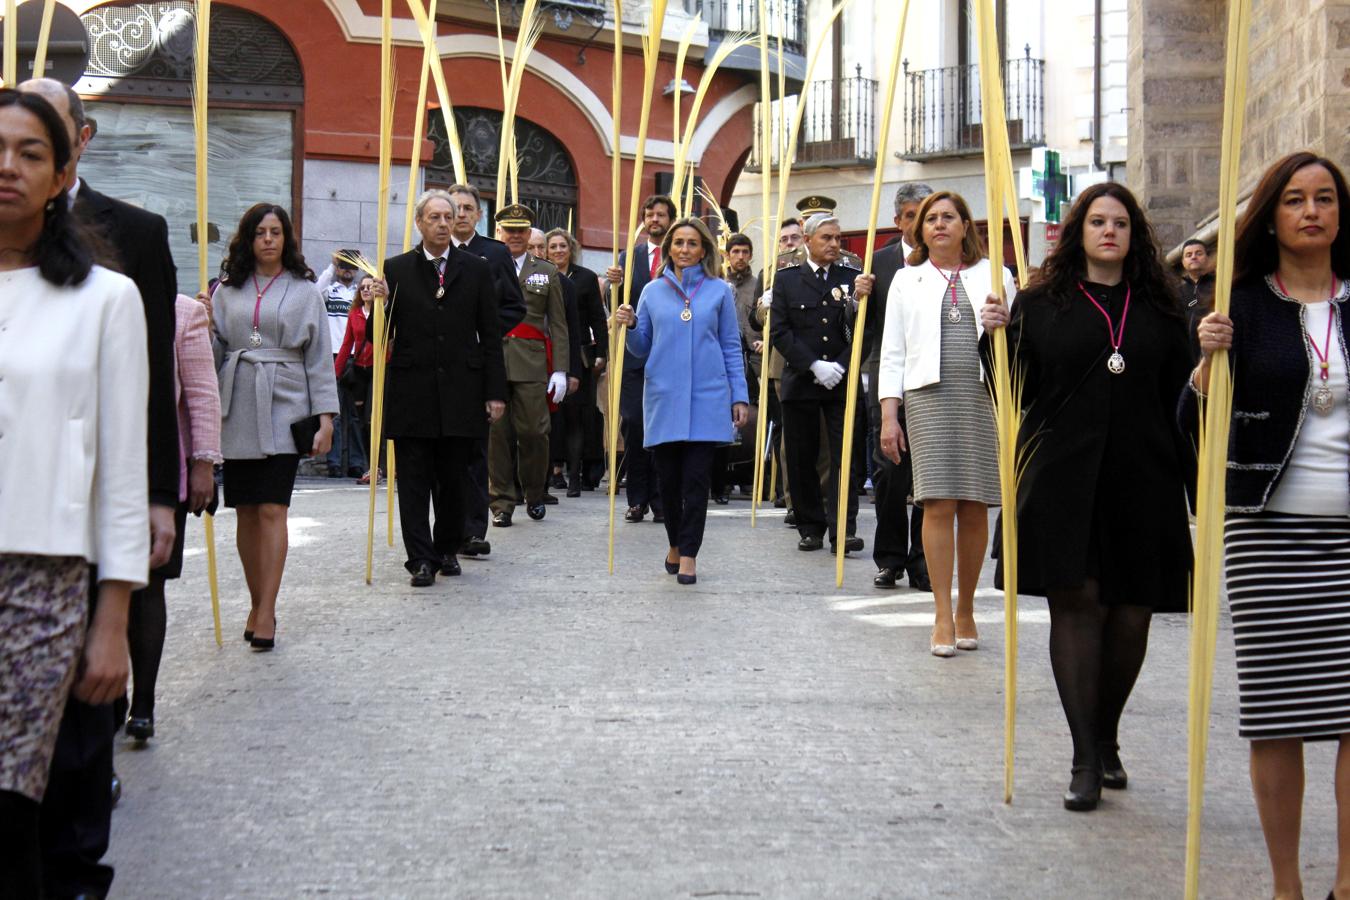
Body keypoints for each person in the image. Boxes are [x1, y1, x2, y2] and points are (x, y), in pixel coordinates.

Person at [980, 181, 1194, 812]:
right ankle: (1082, 757)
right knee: (1076, 606)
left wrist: (1211, 356)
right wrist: (994, 335)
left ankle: (1107, 734)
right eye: (1098, 221)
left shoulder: (1160, 304)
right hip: (1062, 475)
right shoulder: (1043, 301)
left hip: (1143, 475)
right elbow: (1013, 388)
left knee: (1132, 613)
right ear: (1079, 230)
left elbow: (1184, 394)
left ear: (1135, 235)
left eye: (1121, 223)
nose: (1109, 232)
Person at [19, 77, 178, 900]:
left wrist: (161, 490)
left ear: (78, 142)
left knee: (80, 709)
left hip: (74, 521)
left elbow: (145, 383)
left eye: (33, 144)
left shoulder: (135, 239)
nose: (11, 165)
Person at [1187, 151, 1350, 900]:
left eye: (1324, 198)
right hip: (1267, 533)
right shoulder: (1240, 307)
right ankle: (1286, 884)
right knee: (1279, 714)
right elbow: (1193, 427)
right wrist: (1204, 369)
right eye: (1294, 199)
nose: (1312, 211)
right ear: (1272, 216)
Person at [878, 190, 1009, 654]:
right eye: (930, 218)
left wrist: (1004, 322)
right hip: (926, 397)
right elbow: (891, 351)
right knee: (936, 503)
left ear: (965, 225)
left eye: (948, 217)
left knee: (975, 504)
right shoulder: (905, 280)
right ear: (919, 229)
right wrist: (889, 415)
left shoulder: (997, 275)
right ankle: (940, 613)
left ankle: (968, 607)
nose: (938, 225)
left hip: (981, 397)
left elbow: (1021, 344)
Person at [211, 203, 339, 648]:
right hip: (238, 403)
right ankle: (255, 598)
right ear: (248, 239)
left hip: (286, 404)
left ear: (286, 239)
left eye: (276, 232)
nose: (268, 239)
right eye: (260, 232)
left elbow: (320, 358)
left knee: (273, 508)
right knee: (245, 510)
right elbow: (215, 350)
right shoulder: (225, 290)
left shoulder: (305, 291)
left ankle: (267, 609)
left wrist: (326, 418)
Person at [375, 189, 507, 586]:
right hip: (412, 389)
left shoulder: (477, 268)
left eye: (448, 217)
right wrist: (374, 306)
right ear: (419, 223)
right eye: (434, 217)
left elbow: (491, 334)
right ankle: (420, 558)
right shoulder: (396, 269)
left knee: (454, 479)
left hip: (462, 391)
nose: (443, 224)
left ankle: (446, 546)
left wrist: (495, 391)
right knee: (413, 480)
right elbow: (378, 336)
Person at [613, 217, 749, 584]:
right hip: (664, 396)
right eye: (679, 243)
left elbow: (730, 346)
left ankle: (689, 553)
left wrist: (739, 395)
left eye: (692, 243)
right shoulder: (652, 291)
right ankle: (674, 541)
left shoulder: (720, 290)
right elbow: (640, 347)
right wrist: (628, 326)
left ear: (704, 249)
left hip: (708, 397)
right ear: (669, 248)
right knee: (669, 482)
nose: (685, 249)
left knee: (696, 482)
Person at [124, 292, 221, 745]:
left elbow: (201, 393)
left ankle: (142, 701)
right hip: (93, 467)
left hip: (160, 469)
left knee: (149, 584)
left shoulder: (183, 311)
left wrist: (204, 462)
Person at [769, 213, 876, 554]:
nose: (833, 244)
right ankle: (810, 526)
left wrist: (842, 365)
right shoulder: (786, 280)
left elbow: (866, 329)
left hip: (841, 381)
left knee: (846, 457)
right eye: (826, 238)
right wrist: (813, 365)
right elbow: (779, 331)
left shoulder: (852, 277)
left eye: (837, 239)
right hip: (802, 380)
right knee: (801, 457)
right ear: (808, 240)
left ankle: (843, 528)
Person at [446, 182, 527, 559]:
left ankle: (474, 529)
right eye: (454, 208)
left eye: (467, 208)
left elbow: (515, 306)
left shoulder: (493, 254)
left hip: (479, 362)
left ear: (478, 214)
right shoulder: (435, 254)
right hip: (443, 365)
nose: (460, 214)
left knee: (477, 450)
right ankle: (447, 527)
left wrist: (486, 331)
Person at [489, 204, 569, 526]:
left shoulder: (546, 271)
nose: (515, 236)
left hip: (532, 362)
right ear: (499, 232)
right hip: (494, 358)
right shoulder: (486, 264)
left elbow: (559, 324)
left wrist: (561, 369)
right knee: (497, 435)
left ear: (529, 232)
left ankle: (534, 493)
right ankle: (501, 503)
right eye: (510, 230)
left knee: (535, 433)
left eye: (521, 230)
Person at [869, 183, 932, 591]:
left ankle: (923, 561)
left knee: (929, 479)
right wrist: (855, 303)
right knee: (890, 475)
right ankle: (890, 557)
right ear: (898, 220)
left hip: (930, 381)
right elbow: (862, 329)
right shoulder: (877, 263)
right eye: (910, 216)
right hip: (889, 380)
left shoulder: (949, 261)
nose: (918, 224)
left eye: (924, 214)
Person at [606, 195, 676, 524]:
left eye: (661, 215)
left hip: (668, 354)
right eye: (649, 215)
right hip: (634, 354)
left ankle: (661, 499)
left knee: (663, 429)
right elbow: (616, 302)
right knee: (634, 424)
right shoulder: (628, 257)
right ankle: (636, 498)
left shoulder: (680, 255)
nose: (654, 220)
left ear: (670, 219)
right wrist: (613, 286)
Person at [546, 227, 608, 496]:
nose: (558, 251)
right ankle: (551, 472)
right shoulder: (540, 276)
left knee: (576, 418)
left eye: (563, 246)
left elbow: (597, 317)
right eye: (553, 246)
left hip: (578, 353)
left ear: (571, 249)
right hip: (547, 352)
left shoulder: (585, 277)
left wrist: (601, 354)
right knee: (550, 418)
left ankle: (575, 476)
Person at [316, 250, 366, 478]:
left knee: (355, 414)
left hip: (356, 358)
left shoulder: (360, 294)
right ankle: (333, 462)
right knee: (333, 413)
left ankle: (356, 462)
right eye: (344, 265)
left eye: (352, 266)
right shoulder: (330, 291)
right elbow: (315, 292)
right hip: (332, 356)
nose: (347, 270)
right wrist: (331, 264)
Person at [334, 274, 379, 483]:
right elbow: (346, 344)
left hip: (378, 370)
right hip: (359, 370)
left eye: (370, 287)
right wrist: (335, 372)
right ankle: (365, 466)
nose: (366, 290)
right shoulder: (354, 314)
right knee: (360, 420)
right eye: (363, 288)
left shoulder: (382, 312)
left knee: (373, 418)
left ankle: (378, 466)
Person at [1178, 238, 1215, 362]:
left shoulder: (1219, 286)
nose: (1193, 257)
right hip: (1186, 359)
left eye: (1198, 253)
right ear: (1183, 262)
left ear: (1207, 258)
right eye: (1189, 255)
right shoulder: (1176, 293)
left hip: (1214, 355)